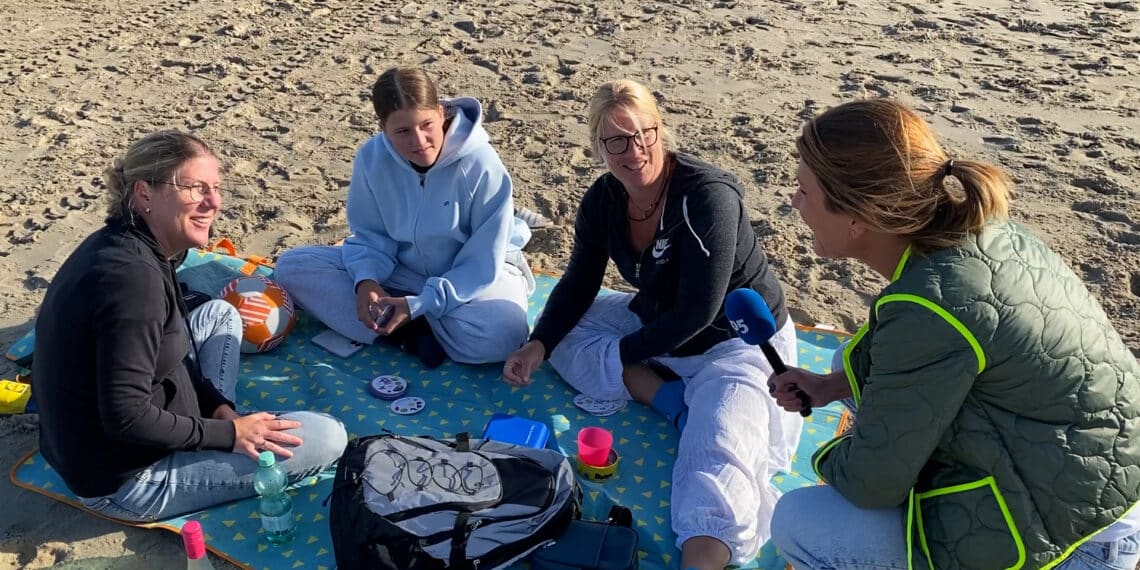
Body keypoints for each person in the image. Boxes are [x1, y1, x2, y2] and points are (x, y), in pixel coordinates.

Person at [768, 99, 1140, 569]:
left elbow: (871, 484)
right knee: (850, 361)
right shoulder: (985, 230)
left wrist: (841, 454)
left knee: (801, 521)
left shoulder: (929, 308)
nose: (795, 203)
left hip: (1076, 543)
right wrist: (829, 388)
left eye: (804, 191)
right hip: (1098, 485)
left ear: (859, 217)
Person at [502, 79, 803, 570]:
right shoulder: (603, 199)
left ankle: (701, 556)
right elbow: (579, 283)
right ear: (598, 147)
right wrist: (537, 344)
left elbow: (699, 311)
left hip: (736, 342)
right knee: (560, 333)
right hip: (656, 321)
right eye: (616, 140)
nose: (634, 149)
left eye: (645, 133)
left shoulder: (708, 196)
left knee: (719, 458)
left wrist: (619, 355)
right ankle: (673, 403)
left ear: (662, 130)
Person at [32, 131, 348, 522]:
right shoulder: (133, 281)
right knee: (329, 437)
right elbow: (127, 416)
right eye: (196, 189)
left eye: (215, 188)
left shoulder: (129, 243)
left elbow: (173, 349)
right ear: (145, 194)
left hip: (105, 429)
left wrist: (218, 408)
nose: (213, 203)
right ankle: (215, 437)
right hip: (125, 477)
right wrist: (230, 436)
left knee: (220, 315)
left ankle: (217, 417)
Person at [274, 66, 534, 369]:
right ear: (382, 127)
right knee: (292, 267)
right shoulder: (371, 158)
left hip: (476, 276)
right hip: (404, 271)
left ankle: (404, 321)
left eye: (427, 125)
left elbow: (481, 263)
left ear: (441, 113)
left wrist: (420, 303)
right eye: (402, 131)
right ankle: (411, 332)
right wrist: (366, 281)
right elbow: (370, 236)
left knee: (505, 334)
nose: (419, 140)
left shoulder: (482, 164)